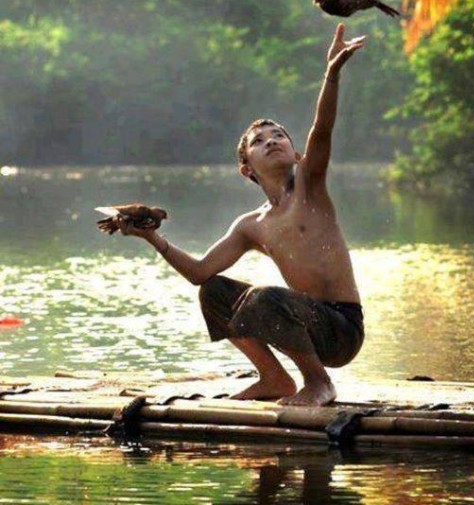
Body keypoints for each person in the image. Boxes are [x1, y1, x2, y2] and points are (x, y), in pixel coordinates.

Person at [118, 23, 366, 406]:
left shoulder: (309, 188)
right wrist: (151, 237)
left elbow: (323, 129)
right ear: (246, 168)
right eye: (259, 140)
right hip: (303, 322)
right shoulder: (252, 225)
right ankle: (273, 379)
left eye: (279, 135)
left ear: (297, 154)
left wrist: (331, 74)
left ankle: (318, 383)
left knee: (263, 298)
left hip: (341, 328)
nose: (271, 141)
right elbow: (199, 271)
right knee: (213, 291)